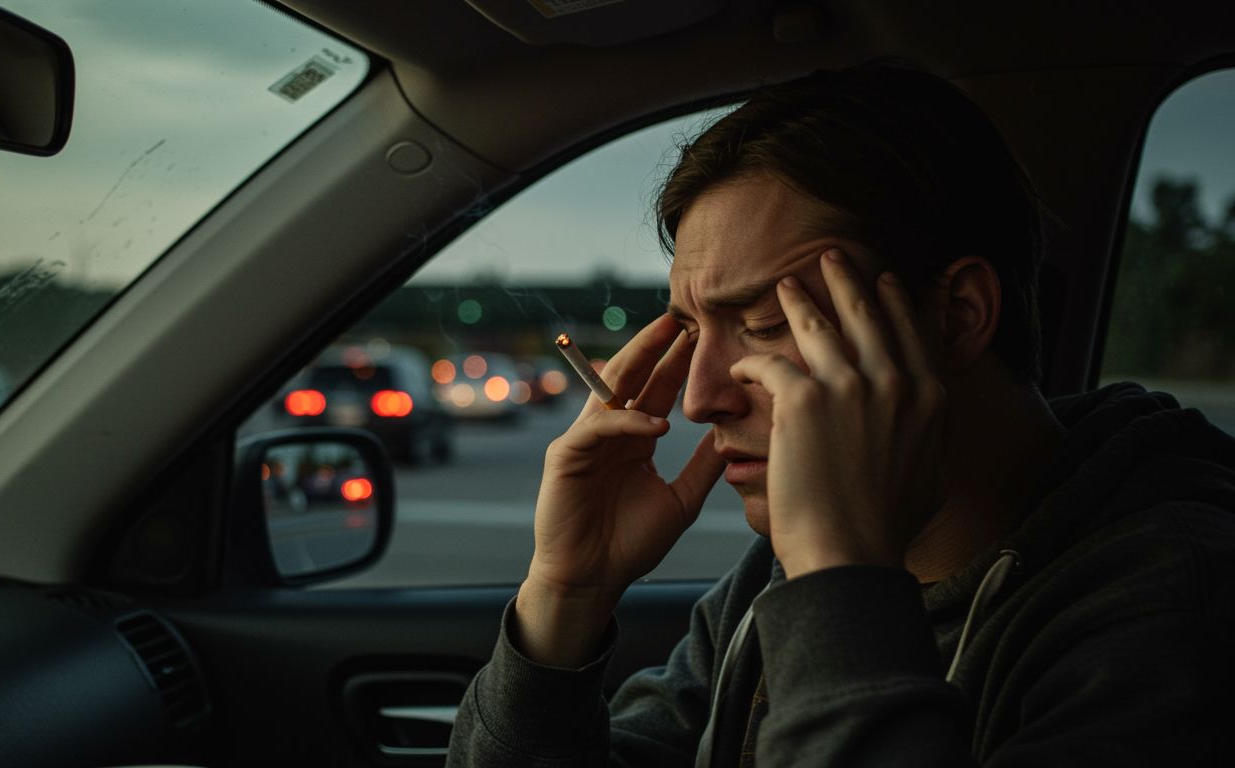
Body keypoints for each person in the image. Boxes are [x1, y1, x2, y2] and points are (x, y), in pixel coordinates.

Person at [446, 63, 1235, 766]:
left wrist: (841, 573)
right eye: (691, 331)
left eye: (765, 324)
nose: (700, 397)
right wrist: (565, 597)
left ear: (957, 314)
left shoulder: (1171, 609)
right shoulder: (777, 574)